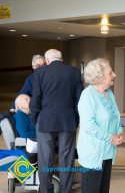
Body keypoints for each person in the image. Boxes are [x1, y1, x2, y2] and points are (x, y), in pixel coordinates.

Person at [30, 49, 83, 193]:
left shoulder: (39, 73)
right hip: (67, 121)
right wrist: (76, 120)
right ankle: (65, 190)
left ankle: (46, 190)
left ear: (47, 61)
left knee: (45, 158)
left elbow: (35, 99)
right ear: (61, 60)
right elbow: (80, 100)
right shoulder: (74, 72)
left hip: (45, 121)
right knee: (66, 158)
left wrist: (35, 118)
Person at [77, 58, 123, 193]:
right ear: (100, 77)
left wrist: (118, 132)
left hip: (107, 151)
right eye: (110, 73)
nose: (114, 74)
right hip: (93, 153)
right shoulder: (87, 95)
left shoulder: (109, 93)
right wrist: (111, 137)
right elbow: (89, 125)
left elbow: (115, 116)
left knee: (104, 190)